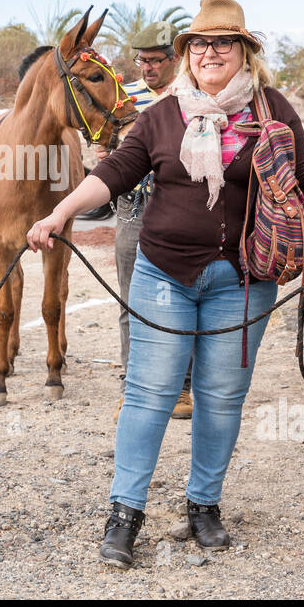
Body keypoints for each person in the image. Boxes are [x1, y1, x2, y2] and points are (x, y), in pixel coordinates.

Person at [27, 0, 304, 568]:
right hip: (165, 273)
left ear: (245, 52)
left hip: (244, 277)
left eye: (223, 43)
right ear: (186, 56)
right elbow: (113, 173)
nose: (210, 52)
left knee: (221, 398)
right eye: (199, 44)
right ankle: (125, 512)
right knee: (150, 394)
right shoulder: (163, 114)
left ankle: (204, 505)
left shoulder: (274, 111)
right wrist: (55, 215)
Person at [98, 22, 192, 422]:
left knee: (183, 297)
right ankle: (133, 384)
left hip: (177, 208)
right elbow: (104, 146)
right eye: (142, 61)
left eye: (156, 60)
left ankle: (183, 388)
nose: (148, 68)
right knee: (129, 298)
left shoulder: (191, 95)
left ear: (174, 60)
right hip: (131, 209)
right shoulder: (124, 99)